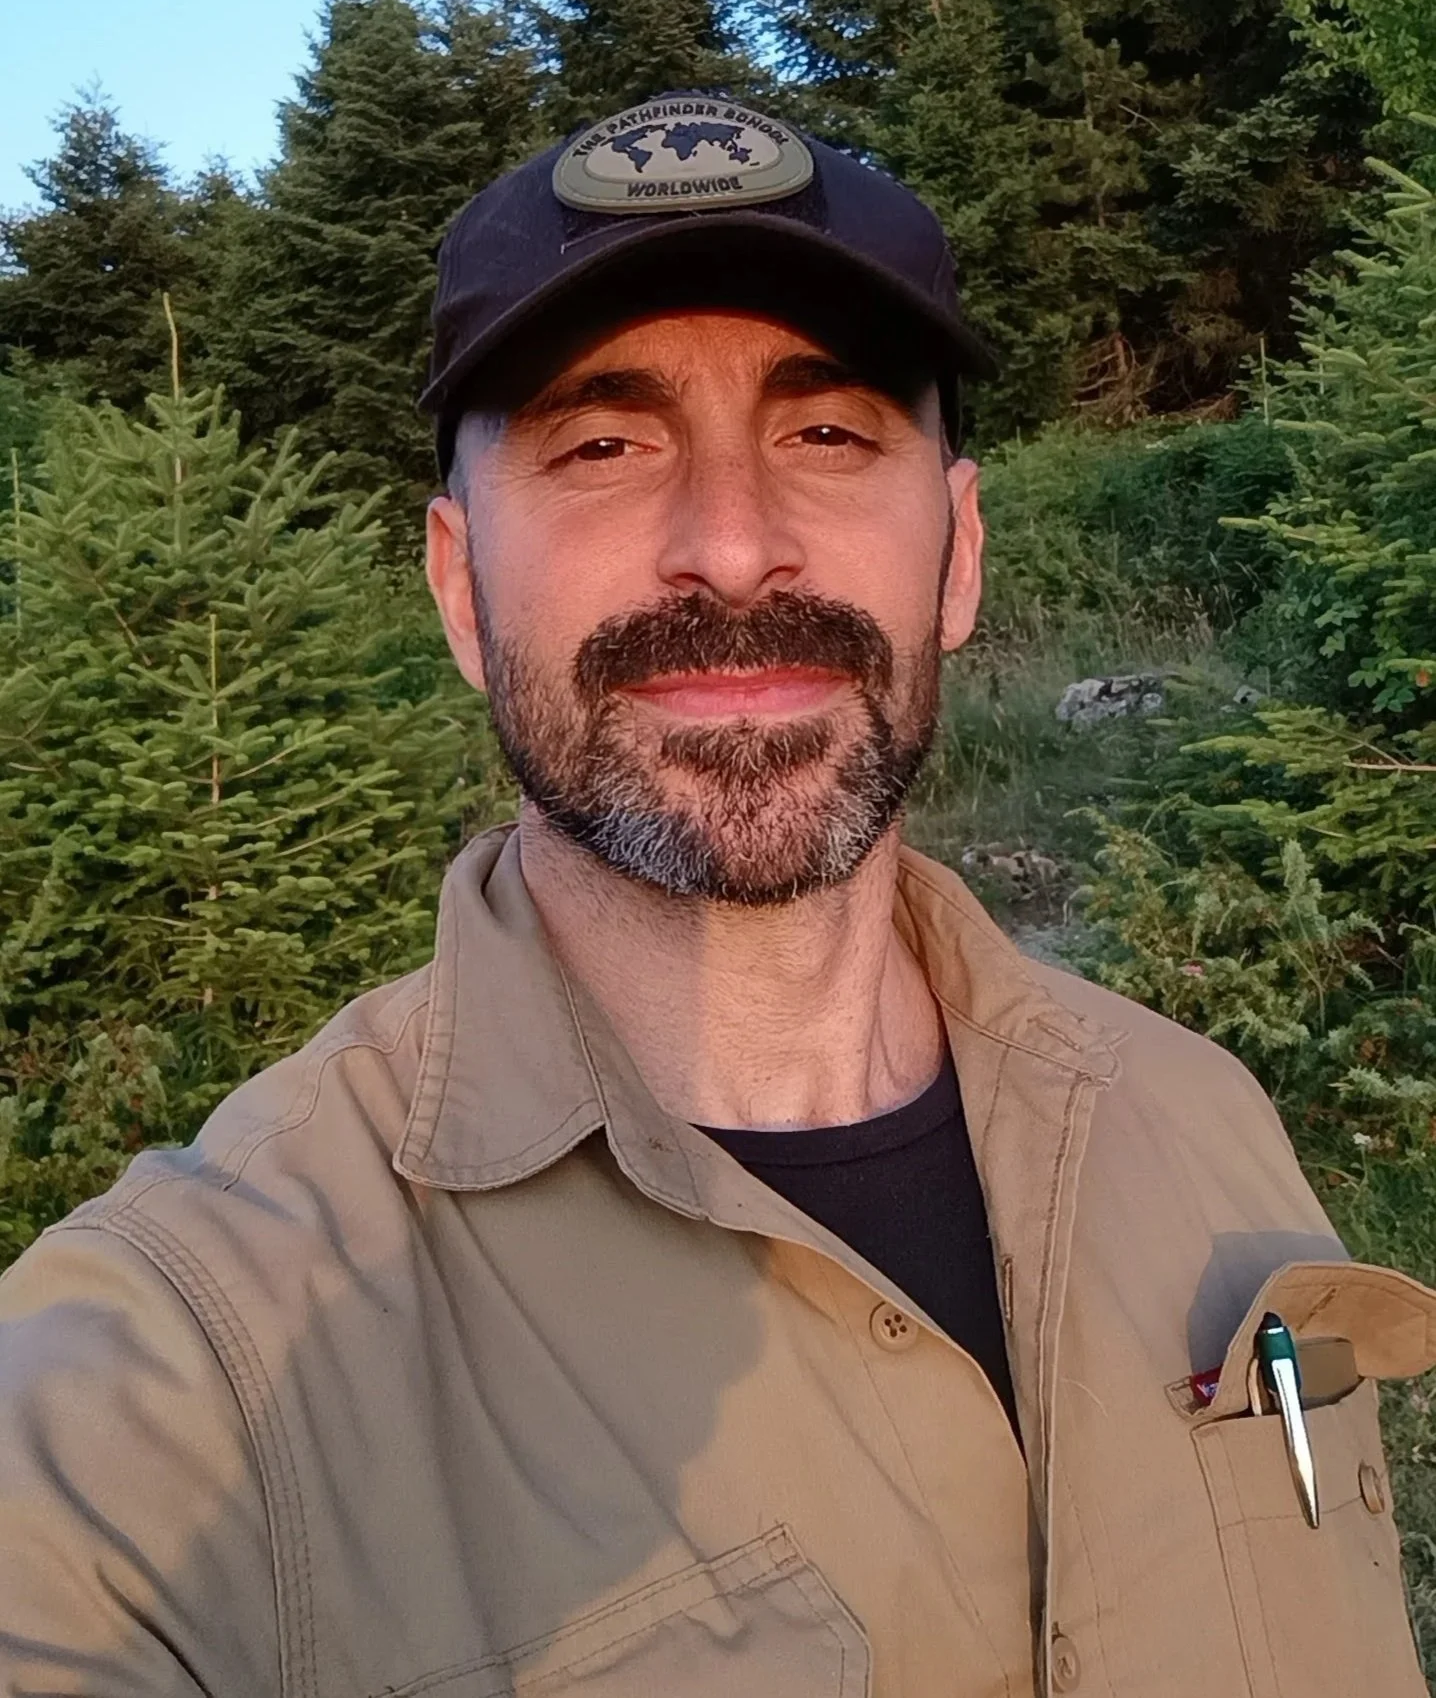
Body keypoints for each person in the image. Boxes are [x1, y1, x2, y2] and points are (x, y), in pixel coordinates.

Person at [1, 92, 1433, 1698]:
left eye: (829, 434)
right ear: (463, 587)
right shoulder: (183, 1374)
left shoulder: (1205, 1124)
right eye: (604, 445)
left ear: (958, 554)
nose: (736, 548)